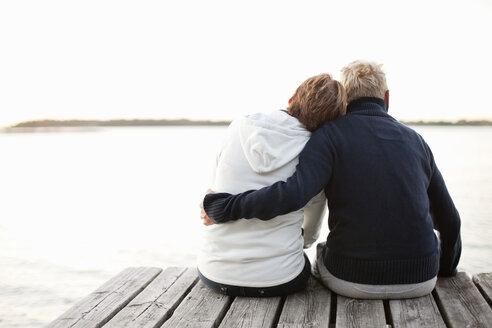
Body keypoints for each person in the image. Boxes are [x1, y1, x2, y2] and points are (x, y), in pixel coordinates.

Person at [202, 60, 462, 299]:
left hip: (350, 280)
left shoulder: (328, 137)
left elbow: (294, 194)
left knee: (323, 250)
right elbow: (449, 220)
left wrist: (224, 207)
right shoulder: (417, 141)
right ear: (386, 97)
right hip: (422, 280)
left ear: (344, 101)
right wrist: (447, 269)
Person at [197, 73, 346, 297]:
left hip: (215, 272)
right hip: (280, 278)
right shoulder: (315, 155)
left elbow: (214, 191)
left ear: (292, 98)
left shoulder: (238, 126)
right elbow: (311, 233)